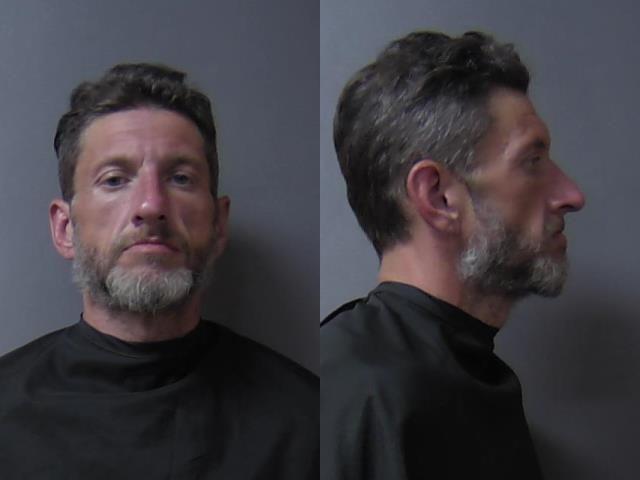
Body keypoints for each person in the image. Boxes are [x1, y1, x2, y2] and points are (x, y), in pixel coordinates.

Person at [0, 63, 318, 479]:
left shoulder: (307, 421)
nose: (151, 205)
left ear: (219, 224)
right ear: (65, 229)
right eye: (115, 180)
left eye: (180, 178)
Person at [321, 31, 585, 480]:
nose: (572, 195)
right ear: (438, 197)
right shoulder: (358, 393)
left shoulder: (474, 377)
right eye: (532, 161)